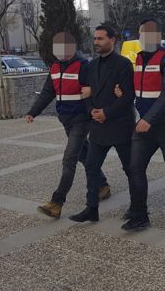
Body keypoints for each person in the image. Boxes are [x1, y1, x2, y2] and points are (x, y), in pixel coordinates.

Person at [25, 32, 109, 219]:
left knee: (69, 159)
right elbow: (48, 92)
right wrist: (33, 111)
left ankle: (57, 202)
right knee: (83, 155)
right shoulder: (55, 67)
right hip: (66, 120)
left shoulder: (83, 66)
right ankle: (103, 185)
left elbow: (96, 89)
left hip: (81, 119)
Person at [122, 19, 165, 231]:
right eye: (141, 34)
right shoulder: (139, 59)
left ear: (158, 37)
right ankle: (140, 214)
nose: (144, 39)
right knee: (135, 168)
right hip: (144, 126)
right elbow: (140, 89)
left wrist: (148, 119)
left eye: (148, 35)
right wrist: (123, 94)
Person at [69, 25, 136, 223]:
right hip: (98, 125)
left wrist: (107, 112)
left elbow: (128, 96)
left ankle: (136, 207)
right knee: (91, 167)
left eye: (100, 38)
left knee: (131, 169)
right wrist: (91, 111)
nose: (96, 42)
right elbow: (86, 92)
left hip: (120, 125)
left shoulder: (123, 65)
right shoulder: (91, 66)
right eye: (95, 38)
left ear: (112, 40)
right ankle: (92, 208)